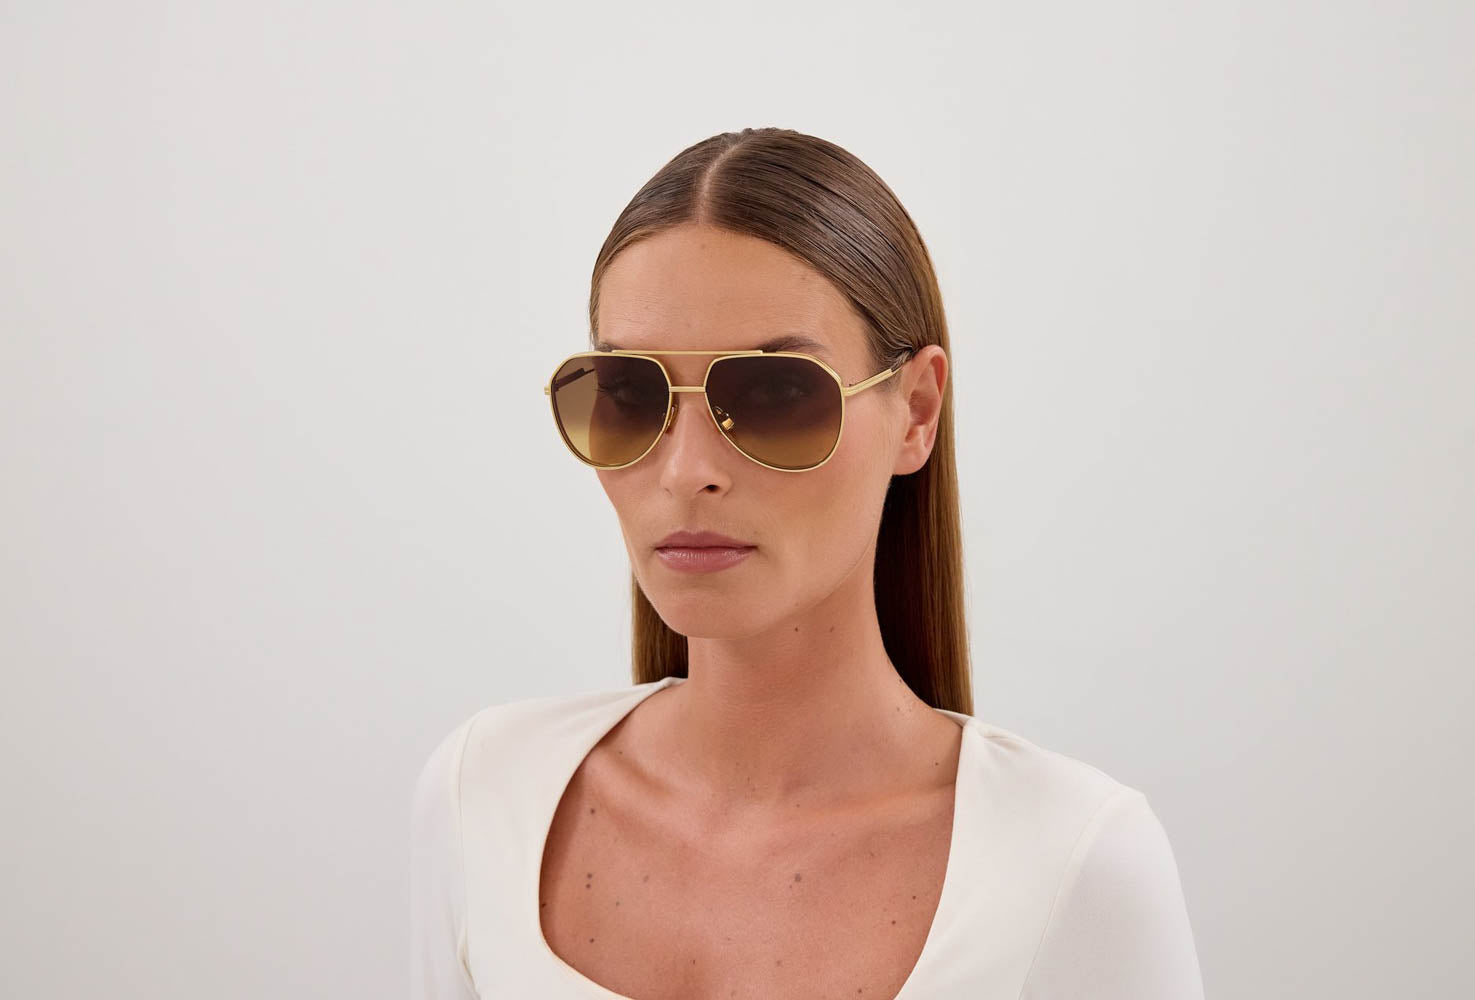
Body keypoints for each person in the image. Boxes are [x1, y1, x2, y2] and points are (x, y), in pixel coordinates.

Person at [411, 127, 1205, 999]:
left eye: (776, 393)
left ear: (916, 411)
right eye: (631, 394)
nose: (686, 471)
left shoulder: (1075, 862)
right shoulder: (483, 795)